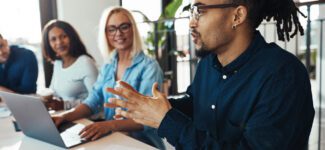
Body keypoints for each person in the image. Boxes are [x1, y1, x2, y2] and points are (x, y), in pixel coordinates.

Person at [106, 0, 315, 149]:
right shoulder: (209, 62)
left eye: (200, 10)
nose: (191, 22)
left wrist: (167, 121)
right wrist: (154, 106)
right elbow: (196, 102)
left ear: (237, 15)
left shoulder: (282, 76)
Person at [52, 7, 164, 149]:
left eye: (124, 27)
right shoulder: (109, 65)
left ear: (133, 29)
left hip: (142, 144)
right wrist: (66, 117)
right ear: (105, 33)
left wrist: (109, 125)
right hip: (114, 140)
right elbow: (94, 100)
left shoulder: (149, 67)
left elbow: (149, 117)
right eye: (111, 29)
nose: (118, 33)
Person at [42, 20, 98, 110]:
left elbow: (97, 101)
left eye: (63, 36)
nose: (59, 42)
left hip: (88, 119)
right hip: (67, 115)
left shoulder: (85, 63)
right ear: (48, 44)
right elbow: (54, 91)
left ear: (72, 37)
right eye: (53, 39)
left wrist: (65, 105)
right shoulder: (58, 64)